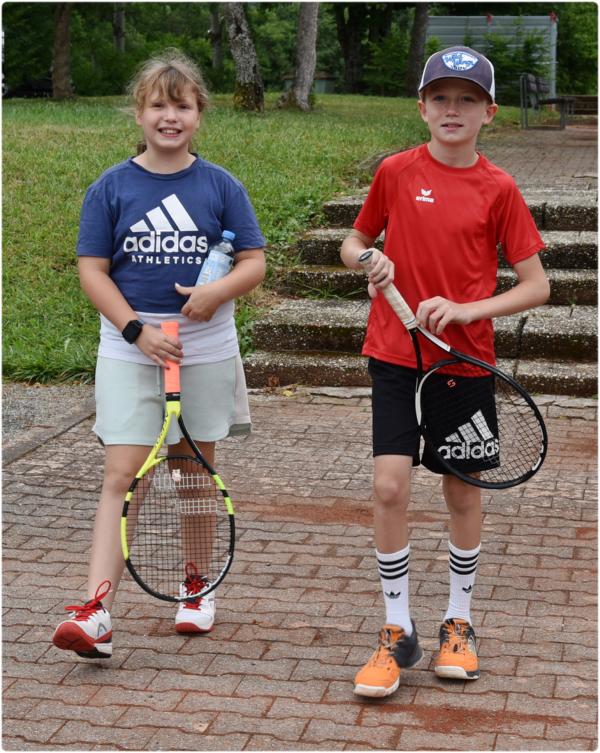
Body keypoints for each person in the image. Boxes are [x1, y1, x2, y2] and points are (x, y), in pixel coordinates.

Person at [340, 46, 549, 697]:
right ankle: (396, 628)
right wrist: (366, 260)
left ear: (490, 112)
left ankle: (459, 621)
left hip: (464, 363)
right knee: (390, 487)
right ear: (422, 107)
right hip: (395, 354)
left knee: (462, 491)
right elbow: (353, 240)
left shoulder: (499, 187)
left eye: (466, 99)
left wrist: (466, 309)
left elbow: (537, 285)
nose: (451, 109)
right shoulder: (396, 172)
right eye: (440, 98)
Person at [52, 50, 266, 659]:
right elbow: (93, 271)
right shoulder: (111, 187)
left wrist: (217, 292)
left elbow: (253, 261)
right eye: (158, 105)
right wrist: (135, 331)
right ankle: (96, 610)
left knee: (192, 473)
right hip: (130, 353)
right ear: (138, 114)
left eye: (182, 106)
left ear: (199, 114)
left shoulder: (221, 185)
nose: (170, 116)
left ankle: (196, 586)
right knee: (123, 476)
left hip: (204, 351)